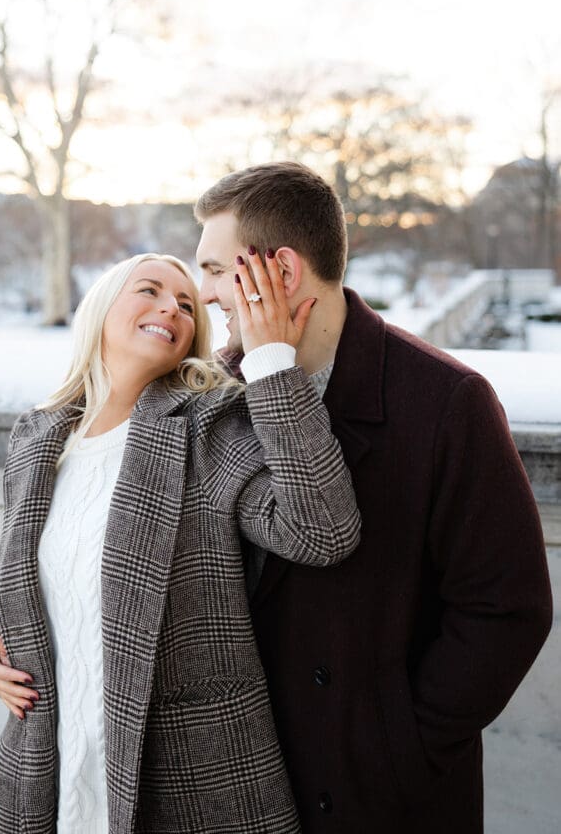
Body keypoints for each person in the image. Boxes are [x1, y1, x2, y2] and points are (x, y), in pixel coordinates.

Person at [194, 161, 553, 834]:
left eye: (217, 270)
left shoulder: (443, 401)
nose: (206, 292)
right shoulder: (215, 399)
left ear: (280, 273)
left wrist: (398, 743)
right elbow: (133, 526)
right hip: (247, 785)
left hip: (384, 797)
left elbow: (507, 607)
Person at [0, 250, 361, 834]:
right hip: (48, 777)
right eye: (148, 290)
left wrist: (272, 363)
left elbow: (324, 530)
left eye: (184, 304)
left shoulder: (210, 427)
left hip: (193, 786)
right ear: (100, 310)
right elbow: (50, 575)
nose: (171, 309)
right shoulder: (38, 437)